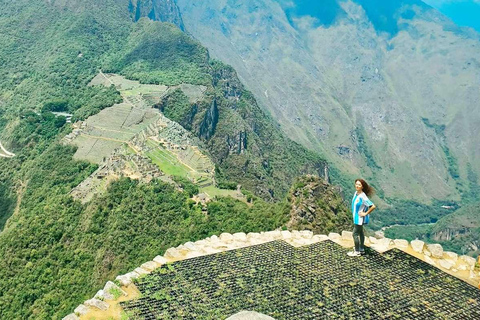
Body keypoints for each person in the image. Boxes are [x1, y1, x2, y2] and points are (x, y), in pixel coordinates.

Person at [347, 179, 376, 257]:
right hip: (356, 217)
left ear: (362, 186)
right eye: (356, 184)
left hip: (359, 219)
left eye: (359, 185)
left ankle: (357, 251)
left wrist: (365, 213)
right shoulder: (356, 193)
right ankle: (362, 249)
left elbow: (372, 206)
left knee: (354, 234)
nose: (357, 186)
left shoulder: (363, 196)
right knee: (360, 233)